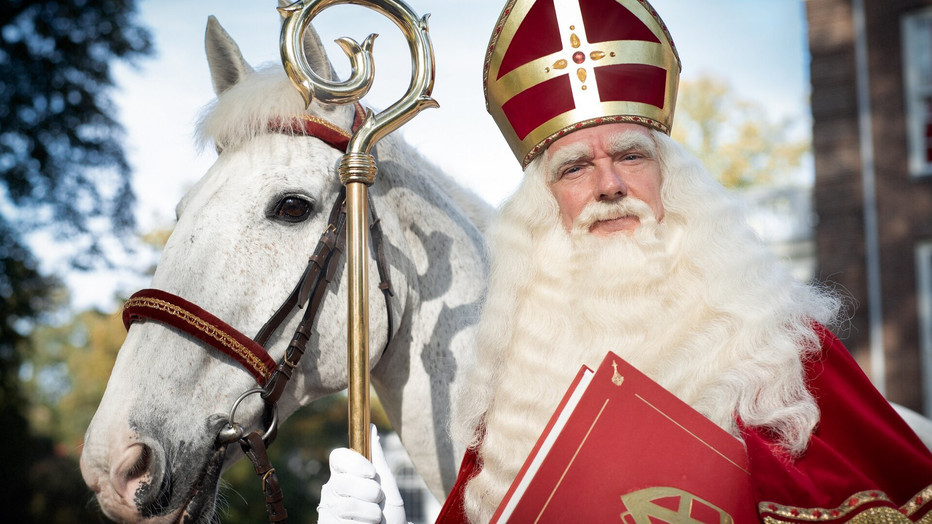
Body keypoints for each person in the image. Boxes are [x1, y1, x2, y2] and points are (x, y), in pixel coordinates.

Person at [317, 1, 932, 522]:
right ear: (542, 210)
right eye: (575, 168)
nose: (609, 185)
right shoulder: (514, 394)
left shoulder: (786, 352)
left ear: (673, 183)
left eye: (632, 156)